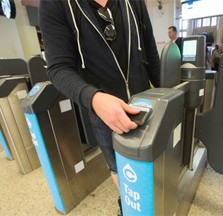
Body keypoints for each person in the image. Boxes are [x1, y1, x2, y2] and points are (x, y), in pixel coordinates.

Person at [39, 0, 160, 214]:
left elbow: (150, 52)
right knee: (117, 165)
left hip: (145, 105)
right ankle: (129, 207)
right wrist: (93, 98)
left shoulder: (134, 3)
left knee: (151, 163)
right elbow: (58, 68)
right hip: (102, 111)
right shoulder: (55, 4)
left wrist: (167, 93)